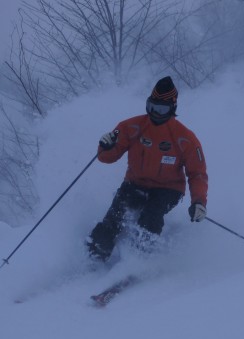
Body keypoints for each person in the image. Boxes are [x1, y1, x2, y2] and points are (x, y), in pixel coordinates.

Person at [87, 76, 208, 262]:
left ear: (173, 108)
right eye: (152, 107)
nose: (156, 114)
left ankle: (137, 261)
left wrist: (198, 202)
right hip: (135, 183)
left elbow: (197, 173)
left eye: (162, 109)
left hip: (168, 189)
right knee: (116, 214)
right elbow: (106, 158)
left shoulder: (186, 138)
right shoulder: (131, 127)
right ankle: (94, 256)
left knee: (151, 216)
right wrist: (106, 146)